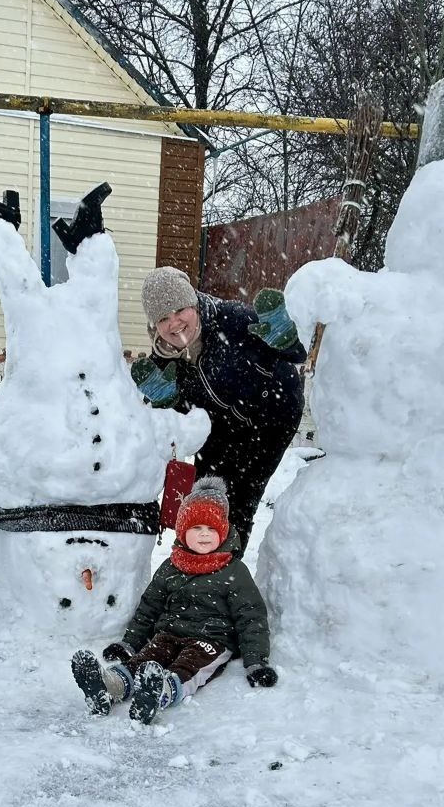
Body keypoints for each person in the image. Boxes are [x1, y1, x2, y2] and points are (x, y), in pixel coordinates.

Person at [70, 476, 277, 725]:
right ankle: (110, 686)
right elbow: (150, 607)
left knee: (189, 666)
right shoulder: (172, 566)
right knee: (144, 659)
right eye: (196, 528)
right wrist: (129, 644)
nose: (204, 535)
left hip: (212, 640)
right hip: (168, 634)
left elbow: (251, 616)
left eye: (212, 529)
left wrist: (256, 662)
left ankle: (161, 692)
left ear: (222, 532)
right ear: (182, 530)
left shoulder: (234, 571)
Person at [131, 266, 306, 552]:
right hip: (218, 428)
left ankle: (224, 569)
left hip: (272, 416)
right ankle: (190, 566)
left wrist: (285, 339)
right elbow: (179, 417)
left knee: (239, 499)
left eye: (179, 310)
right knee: (203, 496)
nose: (174, 323)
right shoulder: (162, 364)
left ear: (193, 303)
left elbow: (296, 355)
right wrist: (169, 404)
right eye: (163, 318)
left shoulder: (235, 320)